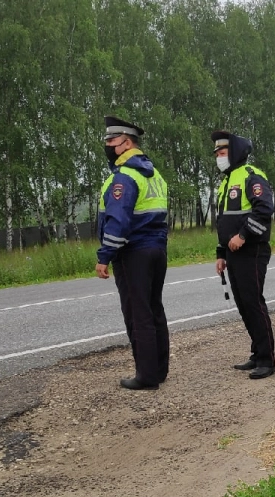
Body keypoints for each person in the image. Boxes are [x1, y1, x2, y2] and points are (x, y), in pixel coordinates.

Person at [95, 115, 170, 391]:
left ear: (126, 143)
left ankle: (146, 376)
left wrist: (105, 256)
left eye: (111, 141)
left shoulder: (124, 177)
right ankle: (159, 370)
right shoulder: (154, 173)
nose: (107, 146)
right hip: (156, 250)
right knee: (154, 310)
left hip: (133, 252)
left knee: (138, 314)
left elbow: (118, 220)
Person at [212, 130, 275, 379]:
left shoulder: (252, 176)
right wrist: (221, 253)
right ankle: (256, 352)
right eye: (217, 153)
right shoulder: (226, 182)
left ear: (236, 152)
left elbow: (264, 210)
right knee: (243, 305)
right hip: (233, 254)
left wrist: (243, 235)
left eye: (222, 152)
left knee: (253, 303)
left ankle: (267, 360)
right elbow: (223, 222)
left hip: (252, 250)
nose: (218, 156)